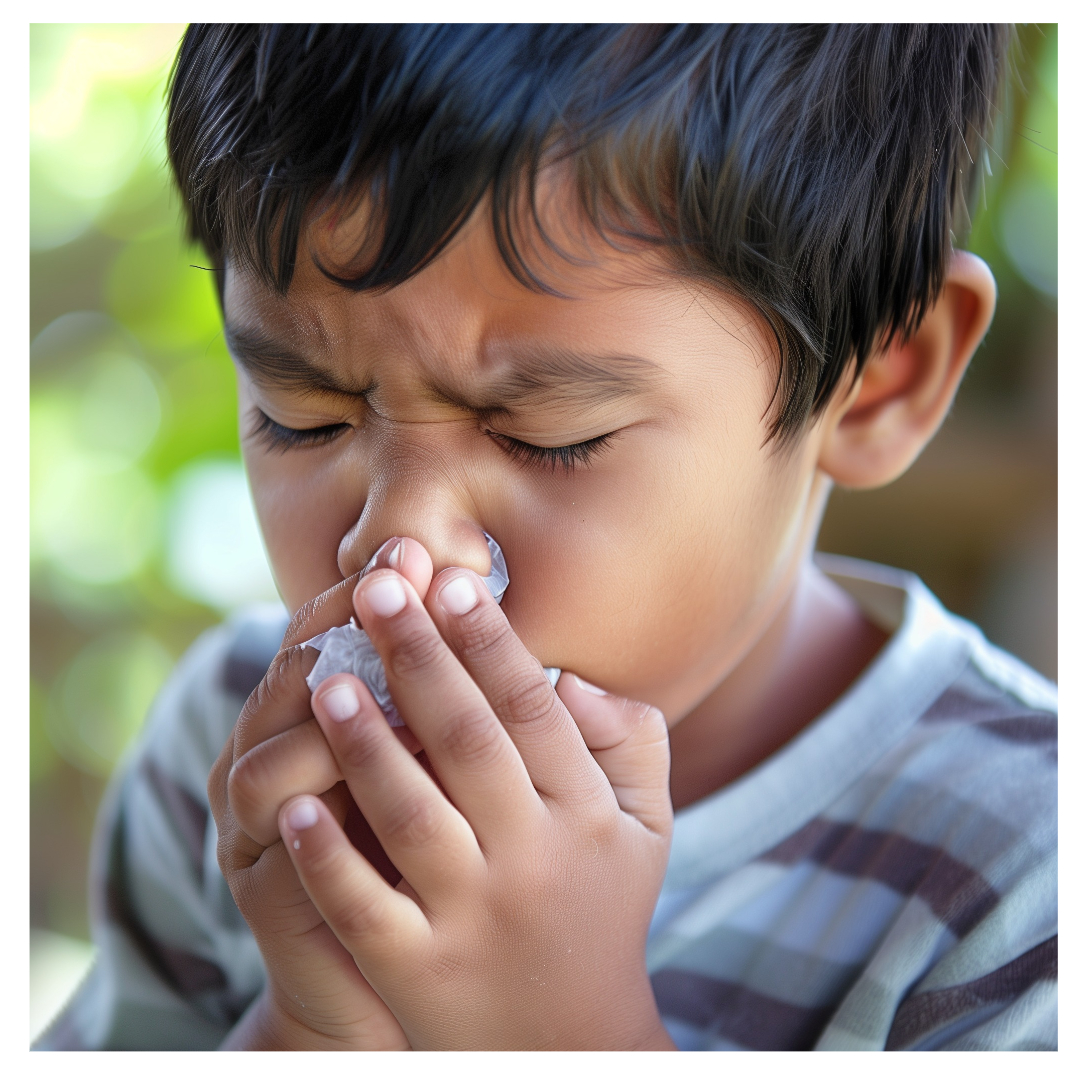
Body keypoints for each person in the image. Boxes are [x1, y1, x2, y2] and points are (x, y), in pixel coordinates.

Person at [37, 24, 1056, 1051]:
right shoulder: (239, 762)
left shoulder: (1022, 878)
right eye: (305, 414)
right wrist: (309, 1026)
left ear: (878, 380)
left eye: (550, 436)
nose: (402, 554)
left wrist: (565, 1040)